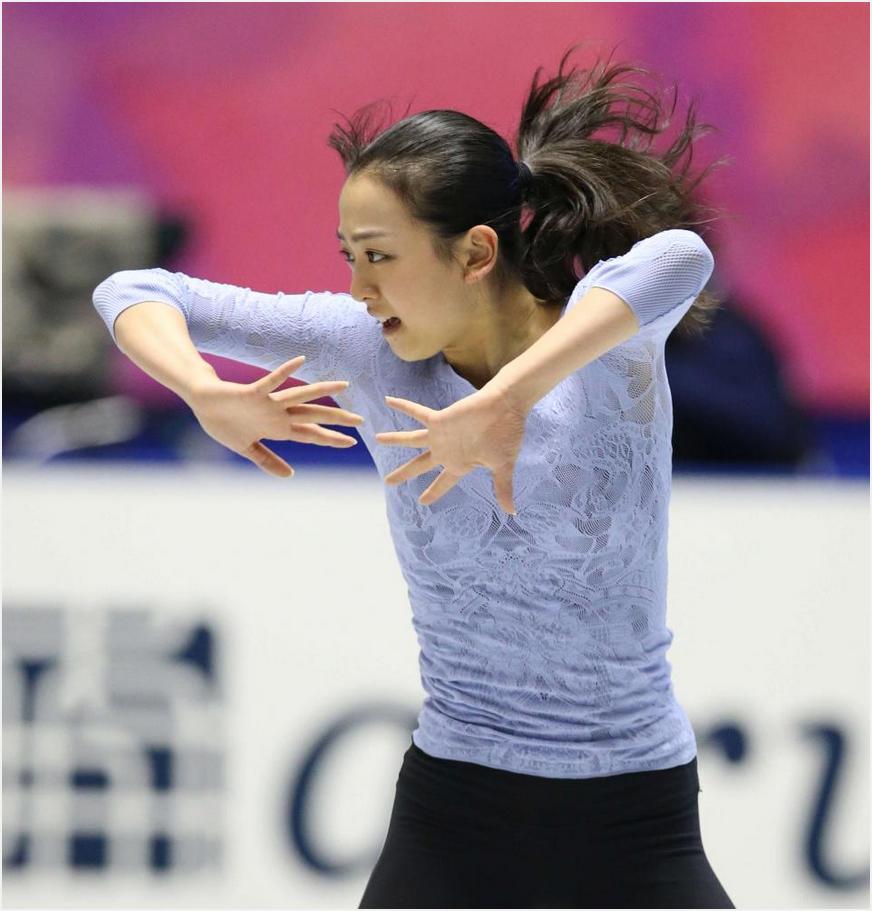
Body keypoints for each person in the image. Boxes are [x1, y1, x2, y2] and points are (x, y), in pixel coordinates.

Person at [92, 47, 734, 909]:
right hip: (455, 814)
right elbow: (132, 288)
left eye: (378, 256)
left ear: (474, 252)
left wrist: (511, 396)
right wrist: (203, 389)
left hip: (637, 817)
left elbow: (680, 256)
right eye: (348, 254)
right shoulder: (363, 343)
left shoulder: (608, 345)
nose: (356, 288)